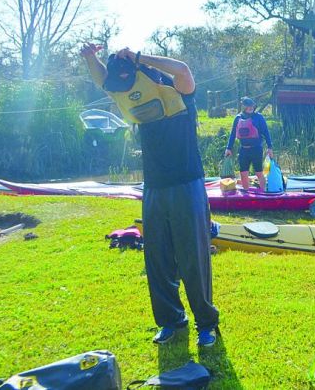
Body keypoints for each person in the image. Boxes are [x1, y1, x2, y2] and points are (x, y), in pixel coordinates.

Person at [81, 44, 219, 347]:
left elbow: (183, 69)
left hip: (187, 182)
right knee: (156, 257)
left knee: (192, 257)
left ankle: (206, 324)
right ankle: (171, 320)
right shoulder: (123, 91)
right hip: (154, 185)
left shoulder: (179, 90)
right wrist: (90, 57)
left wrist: (139, 58)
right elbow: (103, 79)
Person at [224, 97, 273, 191]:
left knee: (259, 172)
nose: (251, 107)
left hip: (256, 149)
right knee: (243, 173)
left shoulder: (259, 117)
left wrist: (270, 147)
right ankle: (246, 193)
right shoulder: (238, 118)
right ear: (244, 107)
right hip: (243, 150)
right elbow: (233, 134)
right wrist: (228, 148)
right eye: (248, 106)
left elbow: (266, 133)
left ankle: (264, 192)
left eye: (252, 106)